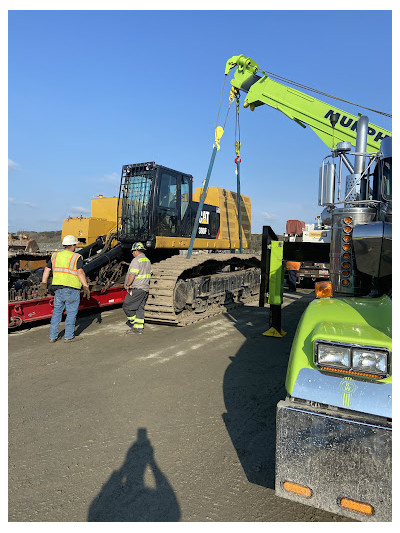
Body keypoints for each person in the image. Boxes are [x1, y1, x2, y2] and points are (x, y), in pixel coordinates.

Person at [39, 235, 90, 343]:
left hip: (58, 289)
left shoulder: (55, 256)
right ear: (72, 245)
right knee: (71, 313)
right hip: (72, 289)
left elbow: (47, 270)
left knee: (57, 313)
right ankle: (68, 337)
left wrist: (43, 283)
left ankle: (52, 337)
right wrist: (85, 286)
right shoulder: (76, 257)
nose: (75, 247)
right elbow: (80, 272)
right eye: (75, 245)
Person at [123, 242, 152, 334]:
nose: (132, 253)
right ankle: (138, 328)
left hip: (137, 288)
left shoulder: (136, 260)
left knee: (126, 306)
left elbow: (132, 274)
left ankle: (134, 323)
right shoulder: (147, 260)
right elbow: (150, 273)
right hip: (145, 288)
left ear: (136, 251)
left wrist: (128, 285)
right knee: (140, 308)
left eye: (132, 251)